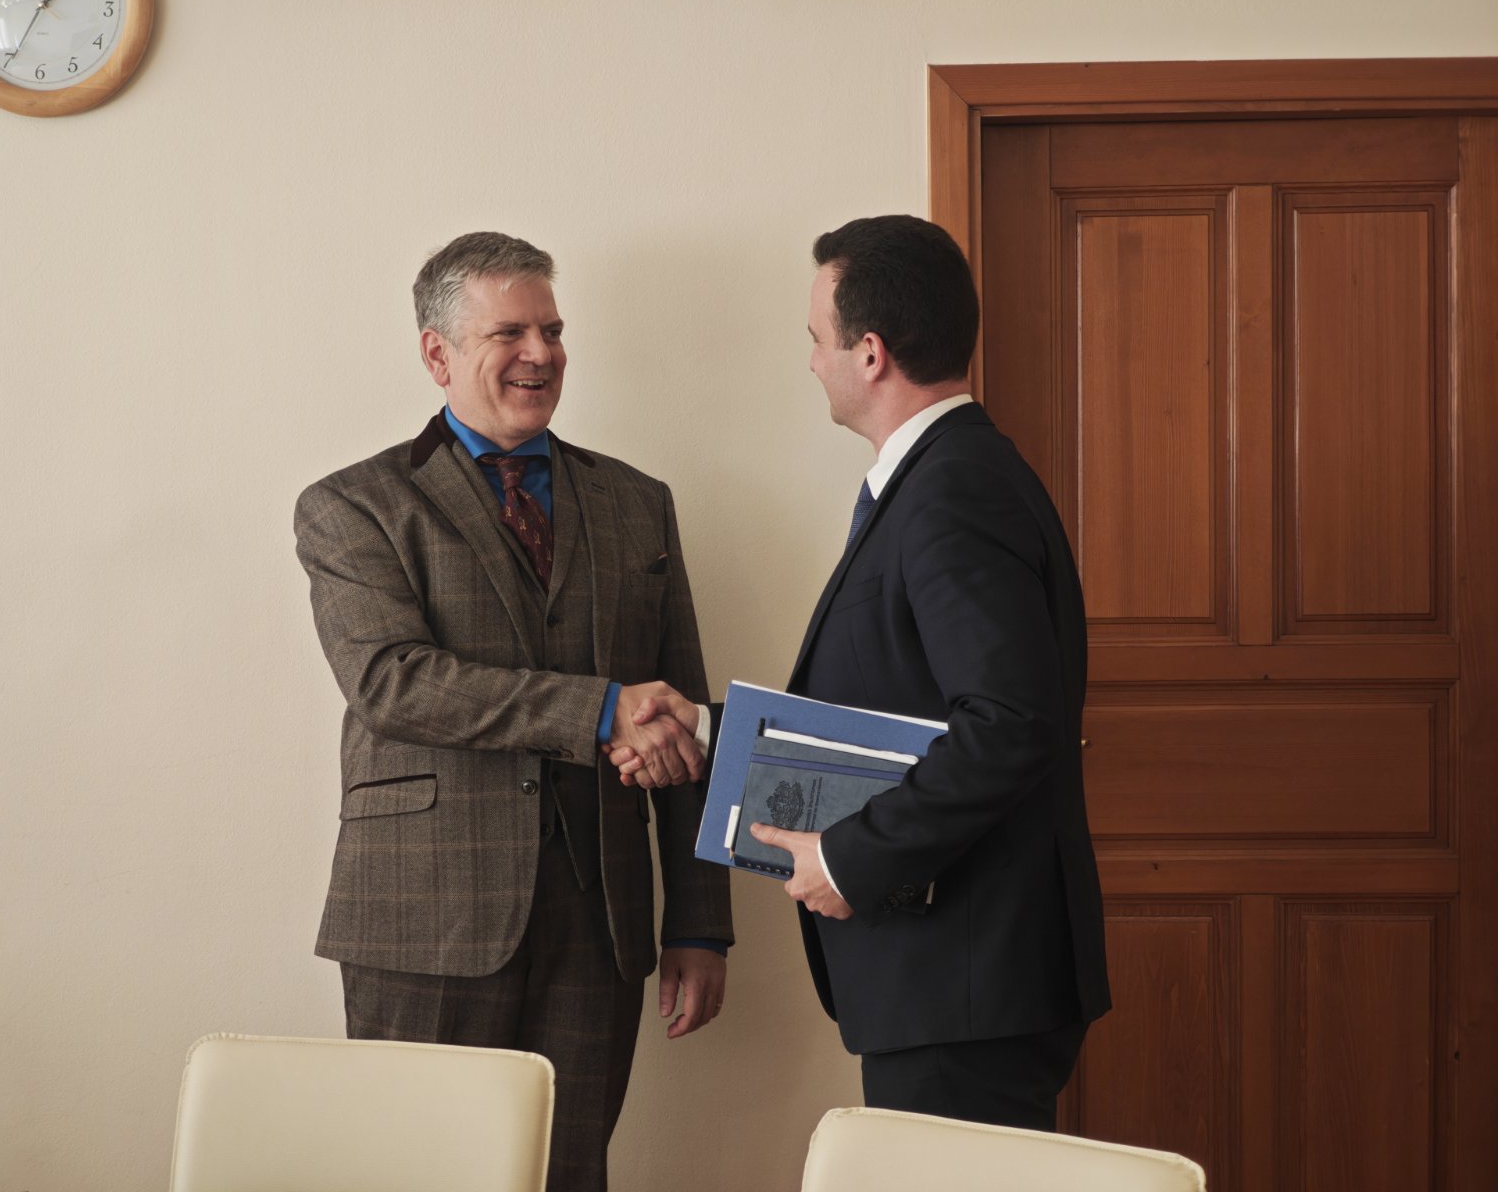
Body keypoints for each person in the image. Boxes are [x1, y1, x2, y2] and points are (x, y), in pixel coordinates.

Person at [618, 214, 1109, 1130]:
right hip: (952, 980)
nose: (812, 362)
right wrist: (707, 731)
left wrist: (850, 859)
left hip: (966, 980)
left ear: (871, 353)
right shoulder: (943, 478)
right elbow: (895, 712)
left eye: (818, 339)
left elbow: (1010, 724)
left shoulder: (954, 490)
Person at [293, 231, 731, 1192]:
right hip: (424, 919)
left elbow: (685, 716)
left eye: (554, 330)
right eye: (511, 332)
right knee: (418, 1177)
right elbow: (392, 680)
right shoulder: (352, 505)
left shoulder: (638, 503)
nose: (542, 353)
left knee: (569, 1175)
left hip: (599, 925)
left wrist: (700, 924)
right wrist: (601, 709)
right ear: (437, 353)